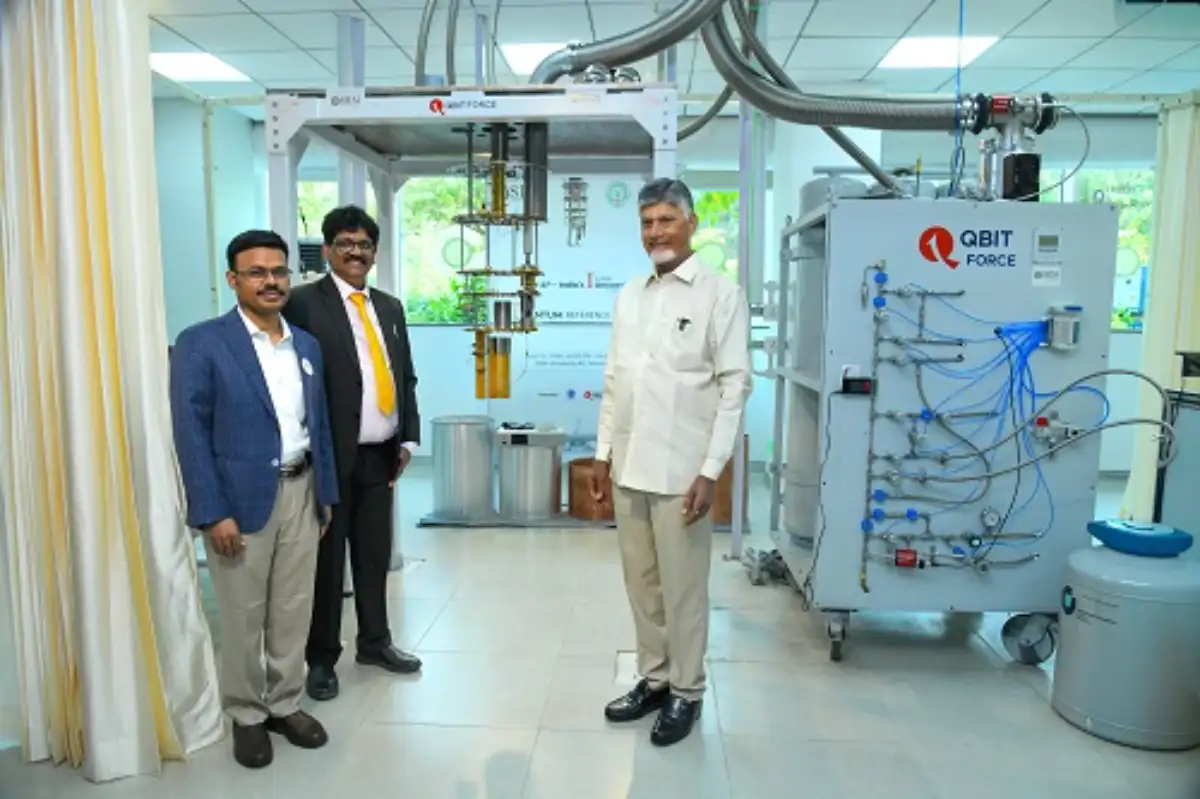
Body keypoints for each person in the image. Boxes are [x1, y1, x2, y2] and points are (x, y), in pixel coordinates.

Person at [590, 178, 752, 747]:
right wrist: (603, 457)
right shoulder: (631, 295)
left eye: (666, 220)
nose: (656, 232)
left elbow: (735, 386)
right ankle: (654, 678)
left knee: (684, 590)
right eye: (647, 222)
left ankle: (687, 691)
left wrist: (711, 469)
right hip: (631, 466)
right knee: (643, 586)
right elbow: (616, 382)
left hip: (683, 474)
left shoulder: (719, 294)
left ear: (691, 223)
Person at [170, 230, 340, 768]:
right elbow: (190, 432)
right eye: (257, 272)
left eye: (279, 271)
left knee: (293, 609)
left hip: (302, 491)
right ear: (233, 280)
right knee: (244, 614)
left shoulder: (304, 344)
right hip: (238, 504)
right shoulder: (203, 342)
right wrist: (211, 510)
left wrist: (325, 495)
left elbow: (320, 427)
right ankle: (246, 713)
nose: (271, 281)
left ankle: (284, 703)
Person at [282, 204, 423, 701]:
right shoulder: (303, 303)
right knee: (327, 562)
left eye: (364, 244)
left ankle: (375, 641)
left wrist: (406, 436)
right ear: (327, 251)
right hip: (329, 457)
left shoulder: (389, 306)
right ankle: (321, 658)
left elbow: (403, 373)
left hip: (380, 454)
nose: (355, 252)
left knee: (372, 554)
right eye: (345, 243)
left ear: (375, 252)